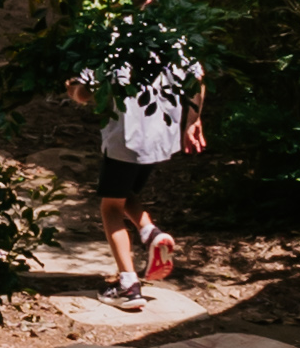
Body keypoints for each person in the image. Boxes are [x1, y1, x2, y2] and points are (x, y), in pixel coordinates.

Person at [74, 18, 205, 309]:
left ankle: (128, 285)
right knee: (123, 192)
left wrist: (72, 88)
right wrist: (193, 122)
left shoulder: (111, 42)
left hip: (125, 138)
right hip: (160, 136)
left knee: (110, 207)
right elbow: (197, 79)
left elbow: (85, 94)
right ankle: (150, 232)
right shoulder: (172, 37)